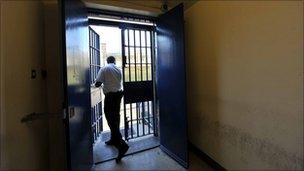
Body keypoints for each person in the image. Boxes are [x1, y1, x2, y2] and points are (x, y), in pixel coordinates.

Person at [95, 56, 129, 162]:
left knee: (110, 118)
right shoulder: (118, 69)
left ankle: (122, 145)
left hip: (110, 97)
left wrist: (97, 83)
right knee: (116, 118)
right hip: (118, 95)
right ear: (114, 61)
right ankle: (113, 139)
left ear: (107, 61)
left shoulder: (104, 68)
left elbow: (98, 83)